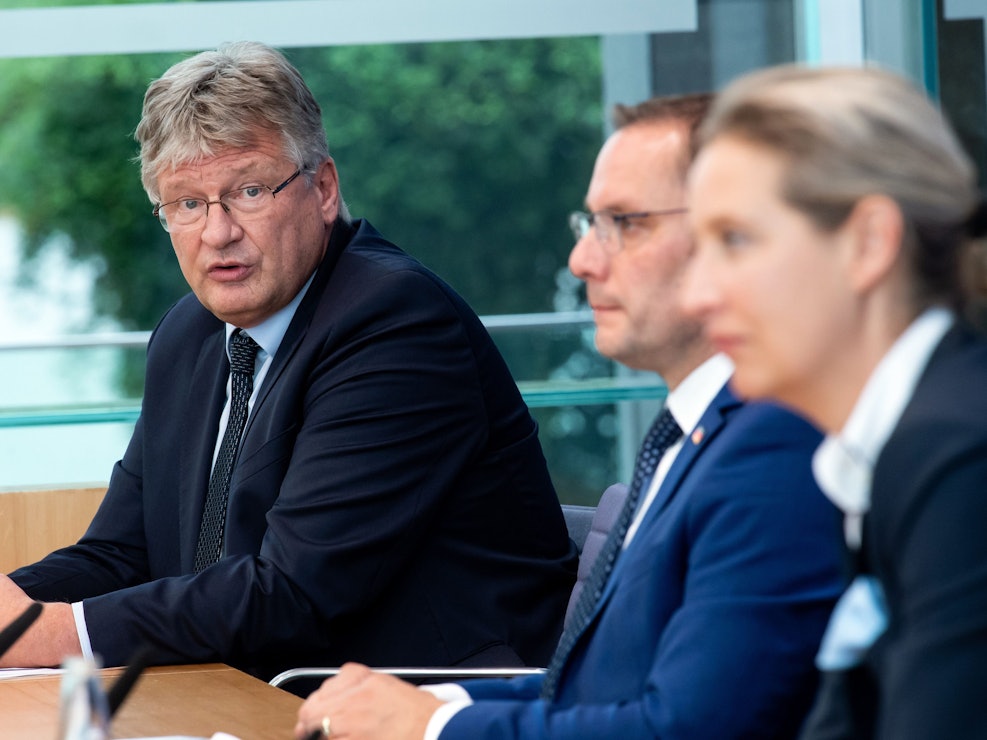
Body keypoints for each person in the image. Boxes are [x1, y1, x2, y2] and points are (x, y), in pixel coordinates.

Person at [0, 41, 578, 679]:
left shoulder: (396, 323)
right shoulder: (189, 334)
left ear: (323, 189)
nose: (217, 232)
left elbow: (294, 593)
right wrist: (17, 609)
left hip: (435, 697)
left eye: (248, 191)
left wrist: (49, 634)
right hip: (263, 690)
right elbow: (122, 554)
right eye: (187, 203)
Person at [293, 93, 845, 740]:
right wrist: (428, 702)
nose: (582, 260)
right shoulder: (693, 435)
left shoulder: (772, 449)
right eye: (591, 223)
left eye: (625, 223)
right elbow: (596, 689)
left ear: (734, 240)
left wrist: (435, 725)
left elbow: (689, 728)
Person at [682, 64, 987, 739]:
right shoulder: (897, 448)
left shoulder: (955, 454)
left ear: (868, 243)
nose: (696, 295)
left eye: (735, 240)